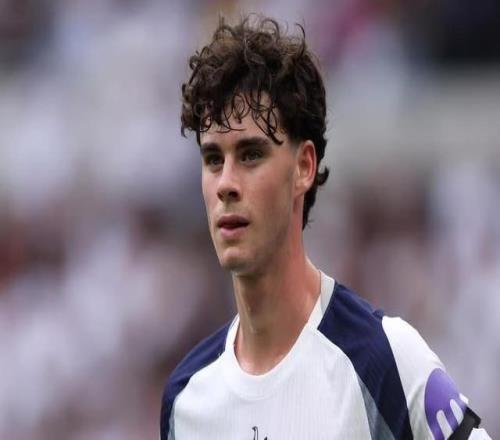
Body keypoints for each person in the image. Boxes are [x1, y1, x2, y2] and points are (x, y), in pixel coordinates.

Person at [160, 15, 490, 440]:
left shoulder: (384, 360)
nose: (225, 183)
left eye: (251, 155)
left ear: (304, 167)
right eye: (212, 160)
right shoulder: (187, 399)